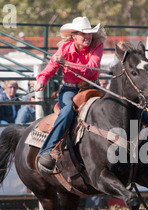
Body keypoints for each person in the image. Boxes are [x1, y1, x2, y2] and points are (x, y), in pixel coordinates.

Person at [34, 16, 107, 173]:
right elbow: (50, 68)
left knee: (114, 105)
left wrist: (67, 64)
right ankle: (47, 150)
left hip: (91, 87)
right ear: (73, 35)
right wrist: (41, 80)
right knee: (66, 111)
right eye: (83, 33)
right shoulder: (65, 49)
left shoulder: (97, 45)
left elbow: (91, 70)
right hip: (70, 89)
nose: (87, 36)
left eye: (89, 33)